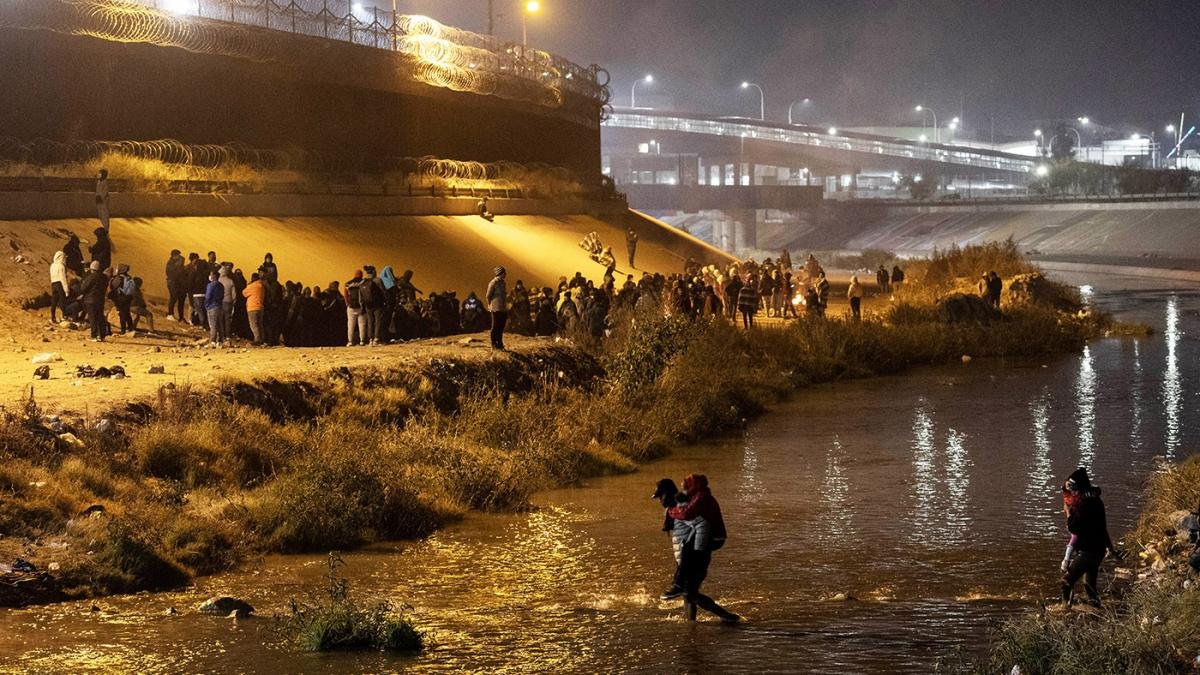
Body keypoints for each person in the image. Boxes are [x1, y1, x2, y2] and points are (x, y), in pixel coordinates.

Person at [666, 474, 739, 624]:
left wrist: (671, 511)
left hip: (701, 547)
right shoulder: (698, 497)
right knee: (688, 591)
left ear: (694, 486)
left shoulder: (701, 498)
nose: (684, 489)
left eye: (686, 486)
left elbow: (686, 514)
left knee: (689, 591)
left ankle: (727, 617)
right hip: (698, 546)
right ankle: (692, 624)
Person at [1061, 467, 1123, 607]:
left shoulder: (1084, 505)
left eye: (1072, 490)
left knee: (1066, 582)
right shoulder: (1096, 501)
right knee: (1089, 585)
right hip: (1098, 550)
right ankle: (1097, 609)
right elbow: (1103, 527)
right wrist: (1110, 548)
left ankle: (1065, 610)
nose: (1072, 493)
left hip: (1088, 552)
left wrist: (1068, 513)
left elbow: (1074, 528)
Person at [79, 261, 108, 342]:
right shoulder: (104, 277)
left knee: (93, 318)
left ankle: (94, 336)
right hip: (100, 300)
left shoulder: (91, 277)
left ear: (92, 269)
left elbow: (83, 288)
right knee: (100, 317)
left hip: (91, 300)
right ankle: (102, 336)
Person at [108, 263, 134, 334]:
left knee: (122, 314)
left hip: (120, 298)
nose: (116, 270)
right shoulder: (129, 278)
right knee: (127, 313)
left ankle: (123, 330)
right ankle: (131, 328)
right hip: (128, 298)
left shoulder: (118, 278)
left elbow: (113, 287)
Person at [487, 265, 508, 350]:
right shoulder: (493, 283)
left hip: (503, 307)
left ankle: (499, 343)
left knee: (501, 326)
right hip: (496, 308)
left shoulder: (503, 283)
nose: (505, 274)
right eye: (504, 272)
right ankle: (493, 344)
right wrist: (490, 305)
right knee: (495, 326)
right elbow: (488, 295)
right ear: (500, 273)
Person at [344, 269, 366, 347]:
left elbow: (346, 295)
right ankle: (362, 340)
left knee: (350, 325)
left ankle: (350, 341)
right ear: (361, 275)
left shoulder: (348, 283)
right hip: (361, 306)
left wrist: (347, 304)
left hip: (351, 307)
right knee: (362, 324)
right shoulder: (363, 282)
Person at [204, 271, 225, 347]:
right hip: (220, 306)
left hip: (212, 307)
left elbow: (208, 296)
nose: (209, 276)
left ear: (213, 276)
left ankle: (213, 341)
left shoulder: (210, 285)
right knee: (219, 324)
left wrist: (206, 305)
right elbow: (222, 296)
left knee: (213, 325)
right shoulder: (221, 285)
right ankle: (220, 341)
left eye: (210, 274)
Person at [243, 272, 265, 345]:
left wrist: (248, 285)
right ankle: (262, 338)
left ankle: (257, 339)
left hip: (252, 307)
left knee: (253, 325)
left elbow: (244, 293)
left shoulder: (252, 286)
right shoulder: (262, 286)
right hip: (260, 307)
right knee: (260, 324)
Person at [165, 249, 187, 322]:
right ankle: (170, 314)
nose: (179, 256)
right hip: (173, 283)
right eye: (177, 255)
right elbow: (171, 274)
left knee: (181, 300)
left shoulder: (179, 263)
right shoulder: (170, 263)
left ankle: (181, 317)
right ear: (173, 256)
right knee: (173, 298)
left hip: (180, 284)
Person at [49, 251, 69, 323]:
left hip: (53, 283)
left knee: (54, 301)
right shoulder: (61, 266)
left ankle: (52, 317)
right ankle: (64, 316)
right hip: (60, 284)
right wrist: (66, 290)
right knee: (62, 300)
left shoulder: (52, 266)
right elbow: (63, 278)